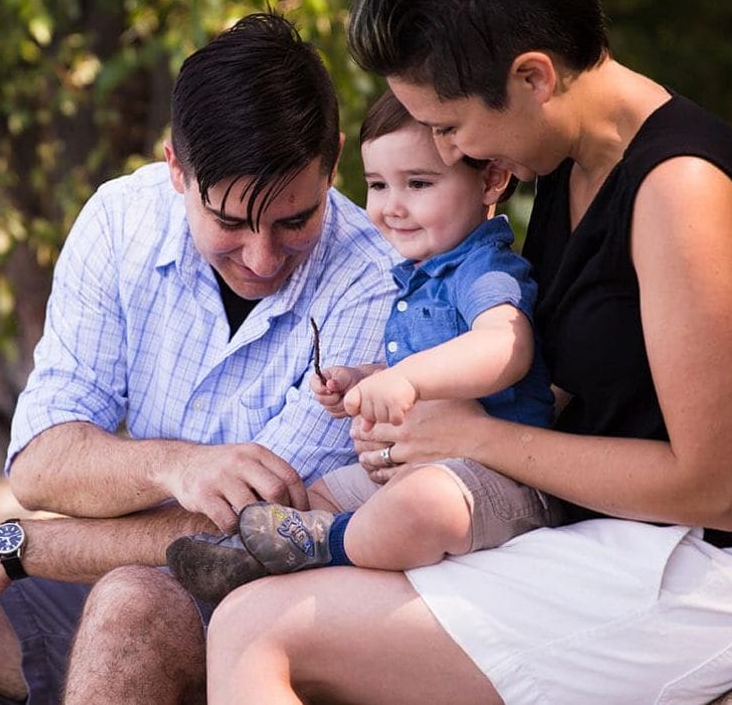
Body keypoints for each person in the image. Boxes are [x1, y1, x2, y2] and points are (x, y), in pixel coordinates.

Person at [204, 0, 732, 705]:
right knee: (282, 607)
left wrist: (475, 435)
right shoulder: (568, 172)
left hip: (731, 571)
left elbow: (717, 487)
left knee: (256, 627)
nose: (447, 154)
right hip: (623, 541)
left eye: (450, 126)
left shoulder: (681, 190)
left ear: (534, 77)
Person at [0, 12, 398, 705]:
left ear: (333, 159)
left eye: (295, 219)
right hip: (115, 571)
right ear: (177, 170)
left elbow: (245, 532)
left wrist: (16, 548)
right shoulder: (121, 219)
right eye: (231, 222)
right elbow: (40, 461)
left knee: (129, 604)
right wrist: (176, 463)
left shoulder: (374, 278)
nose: (263, 258)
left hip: (265, 610)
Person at [168, 90, 558, 598]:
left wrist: (406, 380)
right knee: (316, 496)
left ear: (491, 180)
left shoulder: (483, 268)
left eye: (419, 183)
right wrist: (366, 378)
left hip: (503, 481)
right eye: (378, 185)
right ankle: (246, 558)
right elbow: (425, 361)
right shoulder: (419, 276)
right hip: (427, 465)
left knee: (422, 505)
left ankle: (326, 547)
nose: (393, 207)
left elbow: (505, 347)